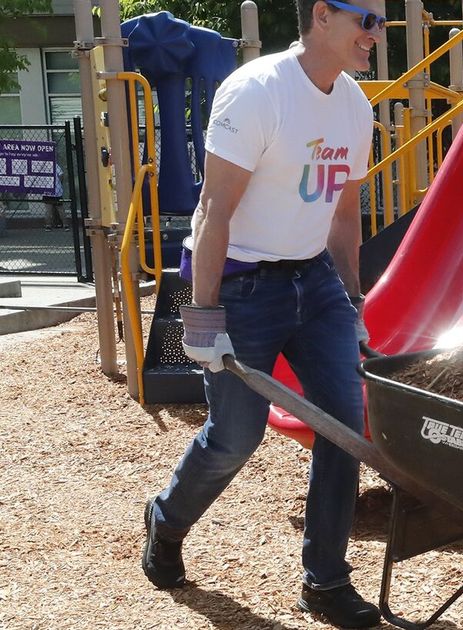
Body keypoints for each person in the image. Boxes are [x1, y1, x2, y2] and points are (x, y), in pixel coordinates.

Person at [141, 1, 384, 627]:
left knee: (345, 427)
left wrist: (352, 301)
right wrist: (203, 317)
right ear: (323, 16)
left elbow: (344, 214)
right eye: (368, 20)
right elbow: (212, 213)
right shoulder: (257, 92)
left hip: (313, 279)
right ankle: (166, 522)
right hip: (243, 285)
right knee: (235, 437)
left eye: (382, 22)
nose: (377, 35)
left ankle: (325, 582)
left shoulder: (355, 105)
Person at [43, 164, 64, 230]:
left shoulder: (41, 165)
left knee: (48, 210)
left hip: (47, 190)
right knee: (60, 208)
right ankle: (65, 225)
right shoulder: (55, 165)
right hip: (56, 190)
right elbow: (61, 175)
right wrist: (58, 183)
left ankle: (48, 225)